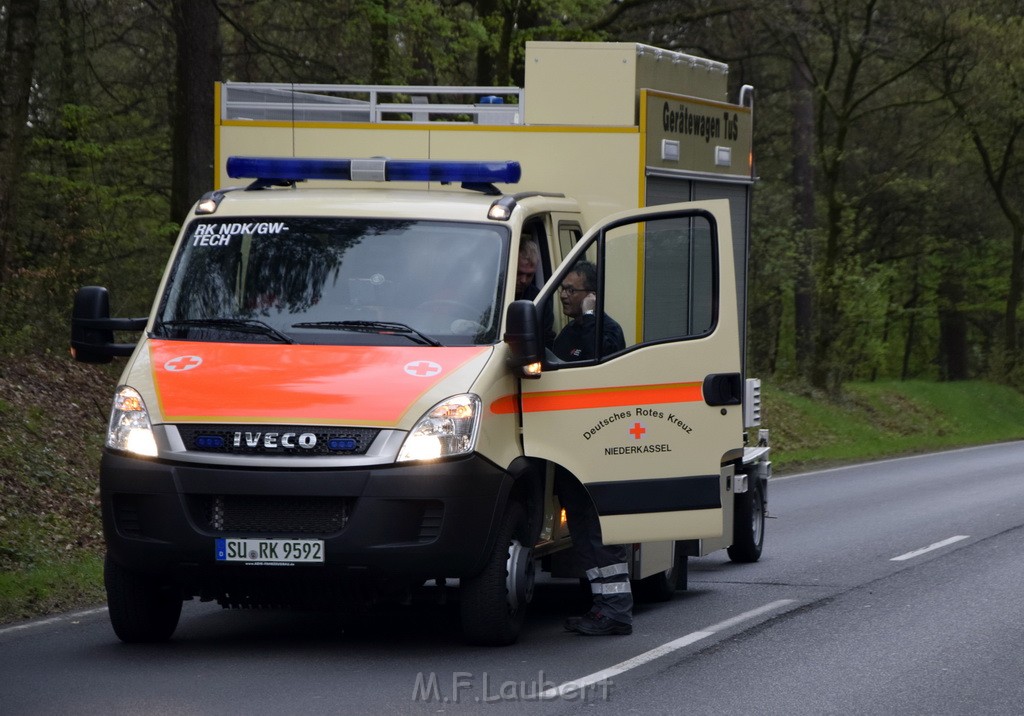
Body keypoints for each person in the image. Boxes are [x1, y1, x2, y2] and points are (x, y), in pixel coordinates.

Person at [551, 260, 632, 636]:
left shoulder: (605, 330)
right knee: (582, 533)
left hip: (598, 451)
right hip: (569, 451)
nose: (564, 295)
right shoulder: (566, 336)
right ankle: (601, 606)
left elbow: (605, 366)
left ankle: (616, 610)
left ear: (591, 296)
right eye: (562, 289)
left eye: (572, 289)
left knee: (600, 534)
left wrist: (590, 317)